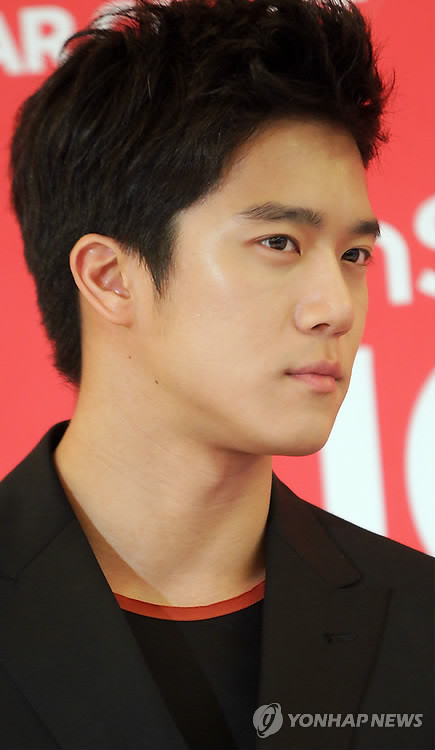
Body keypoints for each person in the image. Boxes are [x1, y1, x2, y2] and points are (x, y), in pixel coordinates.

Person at [1, 0, 432, 748]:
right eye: (279, 242)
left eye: (354, 255)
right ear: (110, 277)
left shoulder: (420, 623)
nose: (336, 308)